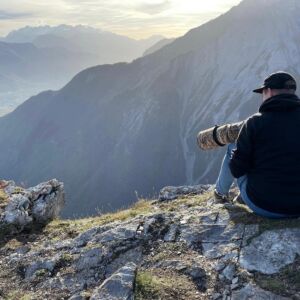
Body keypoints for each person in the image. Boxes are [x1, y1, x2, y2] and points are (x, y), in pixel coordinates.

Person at [214, 71, 300, 218]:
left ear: (269, 91)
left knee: (232, 148)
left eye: (263, 93)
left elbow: (237, 169)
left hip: (264, 205)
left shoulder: (254, 123)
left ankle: (220, 194)